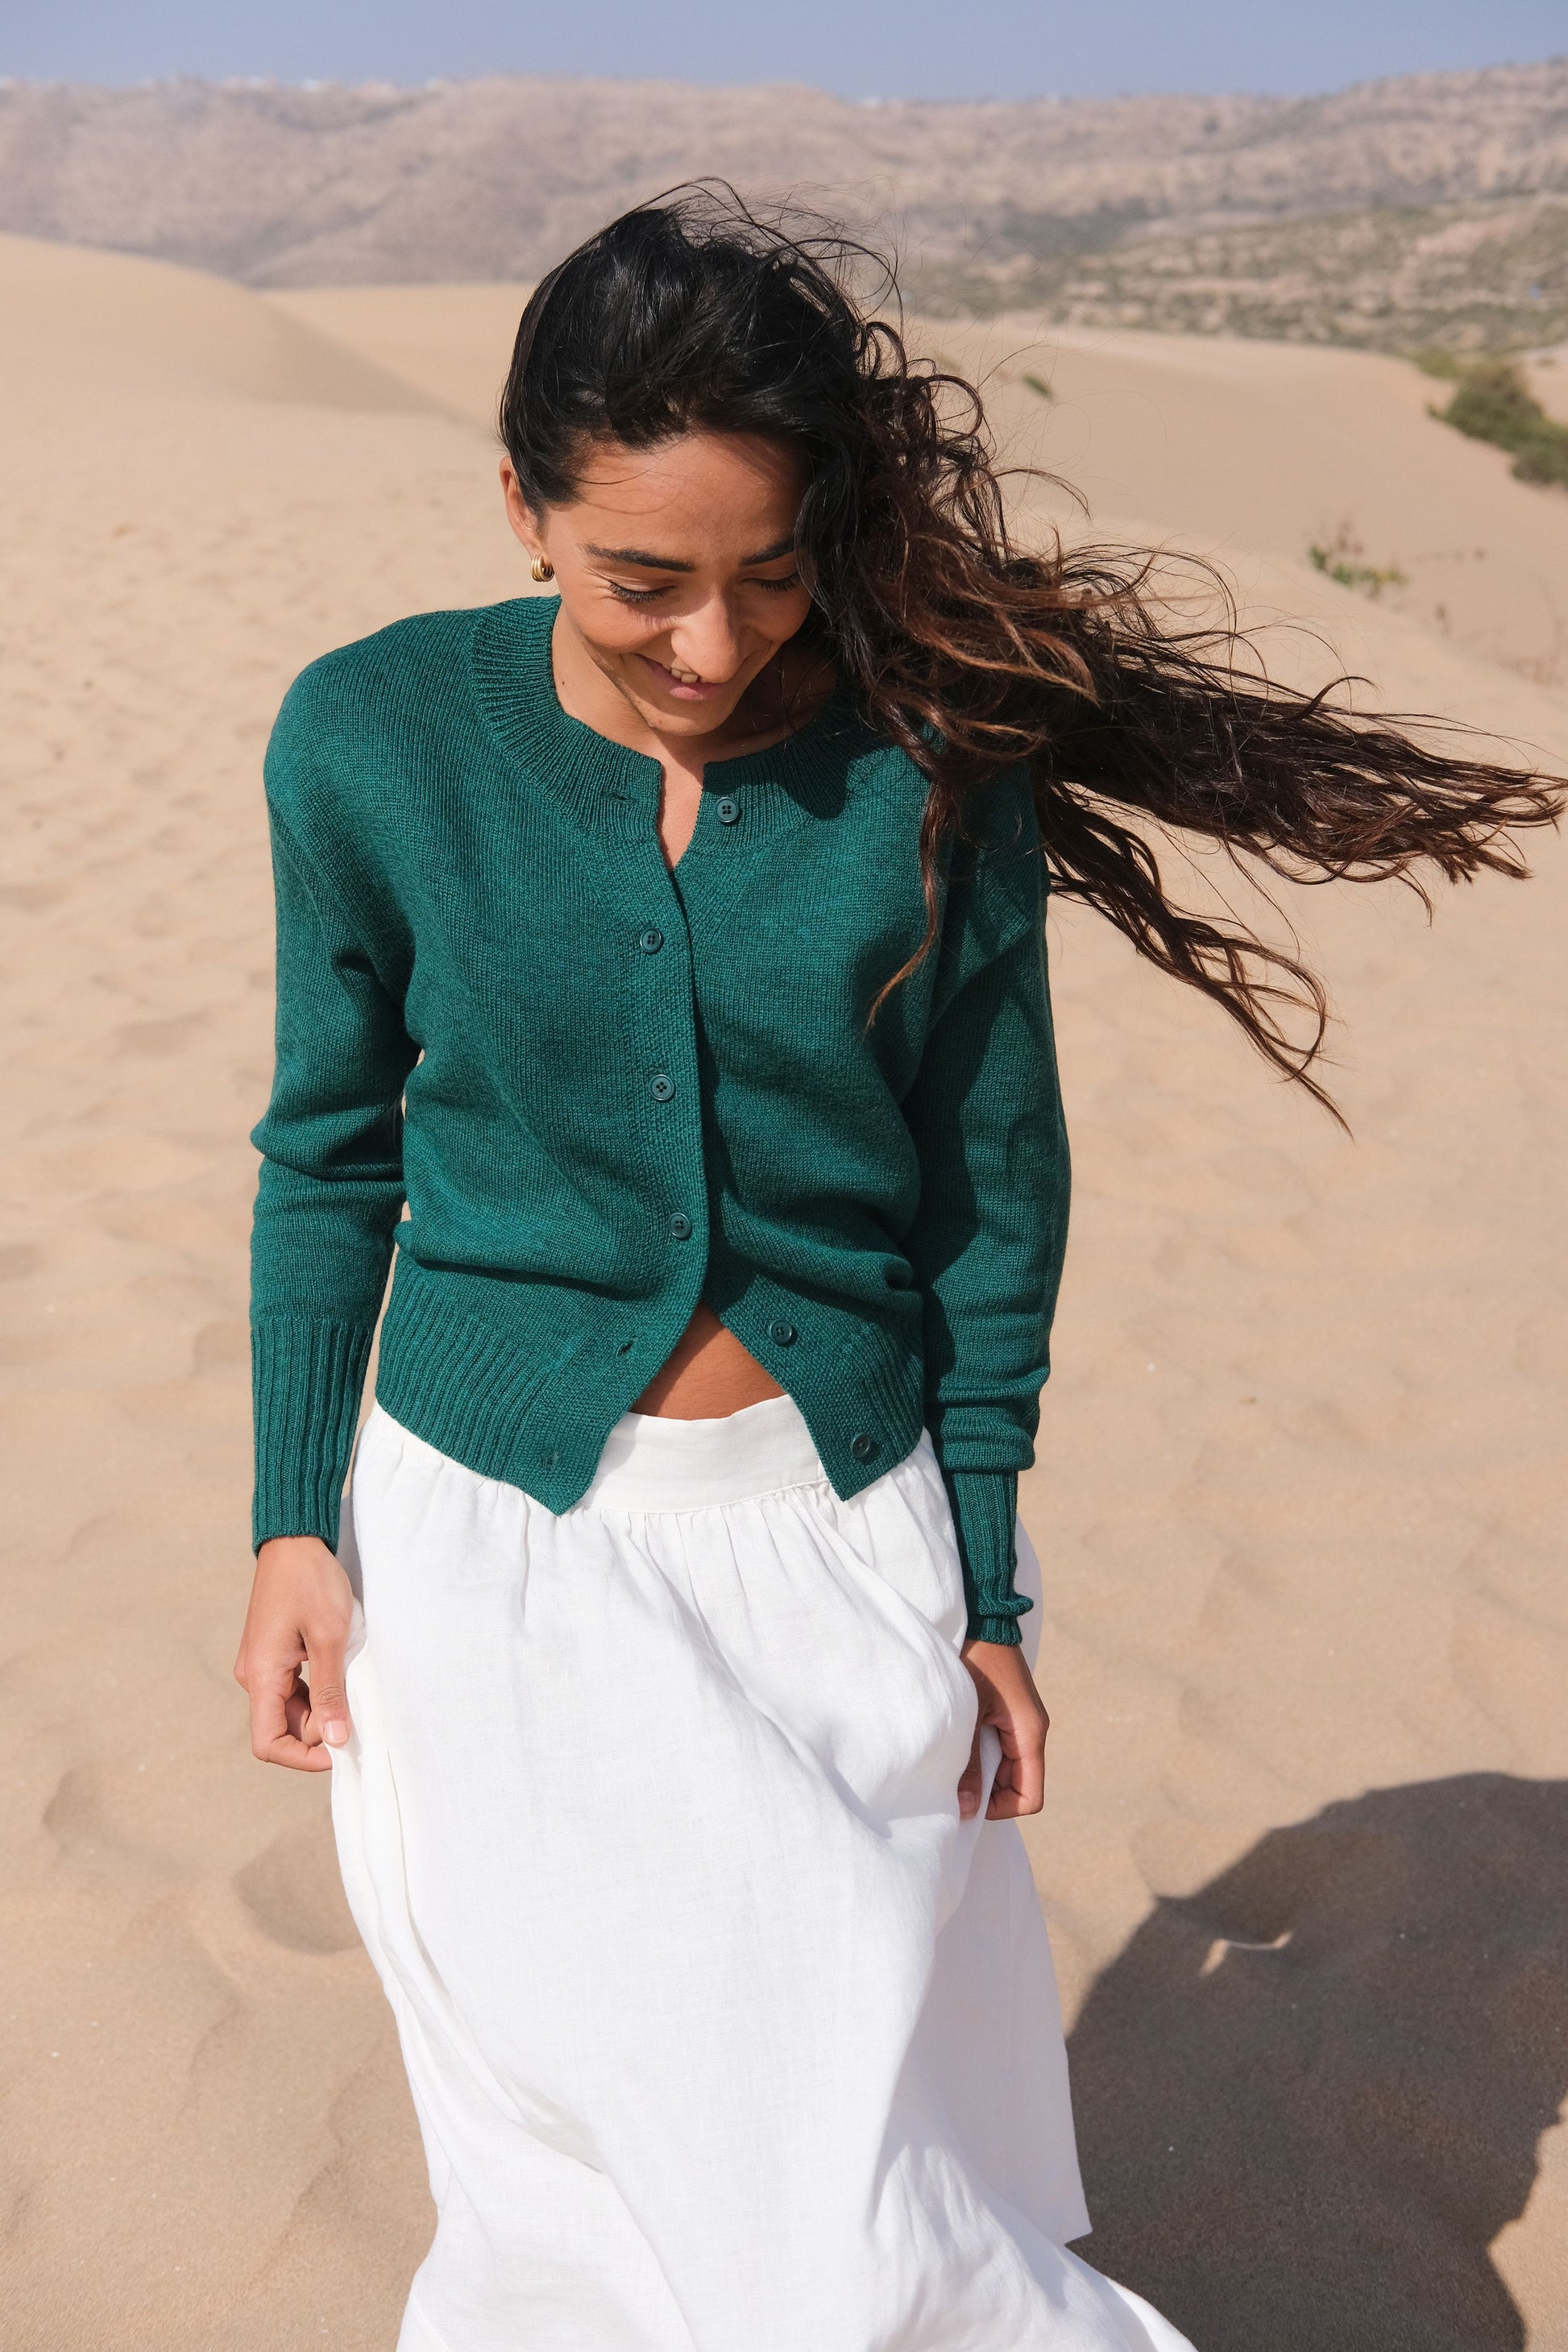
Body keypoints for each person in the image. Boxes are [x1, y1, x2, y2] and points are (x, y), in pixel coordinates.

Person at [233, 189, 1560, 2352]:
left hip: (823, 1534)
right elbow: (326, 1153)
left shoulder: (929, 765)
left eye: (767, 581)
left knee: (836, 2226)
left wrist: (989, 1587)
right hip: (484, 1553)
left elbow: (986, 1199)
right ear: (518, 508)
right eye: (638, 581)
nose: (706, 644)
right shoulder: (370, 741)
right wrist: (295, 1520)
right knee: (570, 2187)